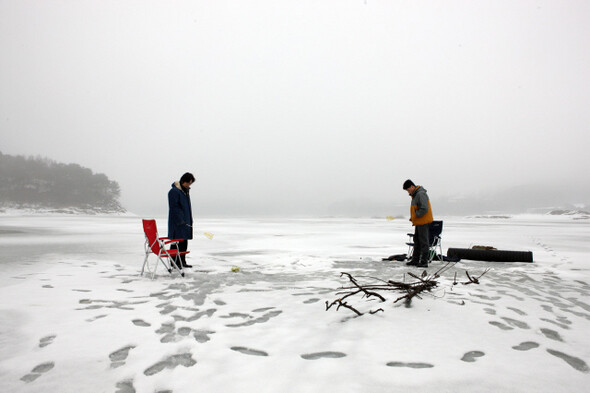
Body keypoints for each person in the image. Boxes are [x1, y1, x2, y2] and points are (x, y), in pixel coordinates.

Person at [403, 179, 433, 268]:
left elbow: (424, 208)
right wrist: (413, 217)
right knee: (417, 241)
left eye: (408, 190)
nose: (408, 192)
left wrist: (416, 215)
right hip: (418, 222)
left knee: (423, 242)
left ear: (412, 187)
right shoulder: (415, 195)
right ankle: (415, 260)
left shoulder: (420, 194)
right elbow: (417, 208)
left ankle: (424, 261)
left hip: (423, 221)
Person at [168, 172, 195, 269]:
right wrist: (180, 220)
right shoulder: (174, 192)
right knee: (176, 242)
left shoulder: (185, 192)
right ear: (183, 181)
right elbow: (174, 207)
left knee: (184, 242)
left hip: (186, 222)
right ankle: (174, 263)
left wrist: (189, 220)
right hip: (177, 223)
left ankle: (182, 261)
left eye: (190, 184)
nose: (189, 185)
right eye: (187, 183)